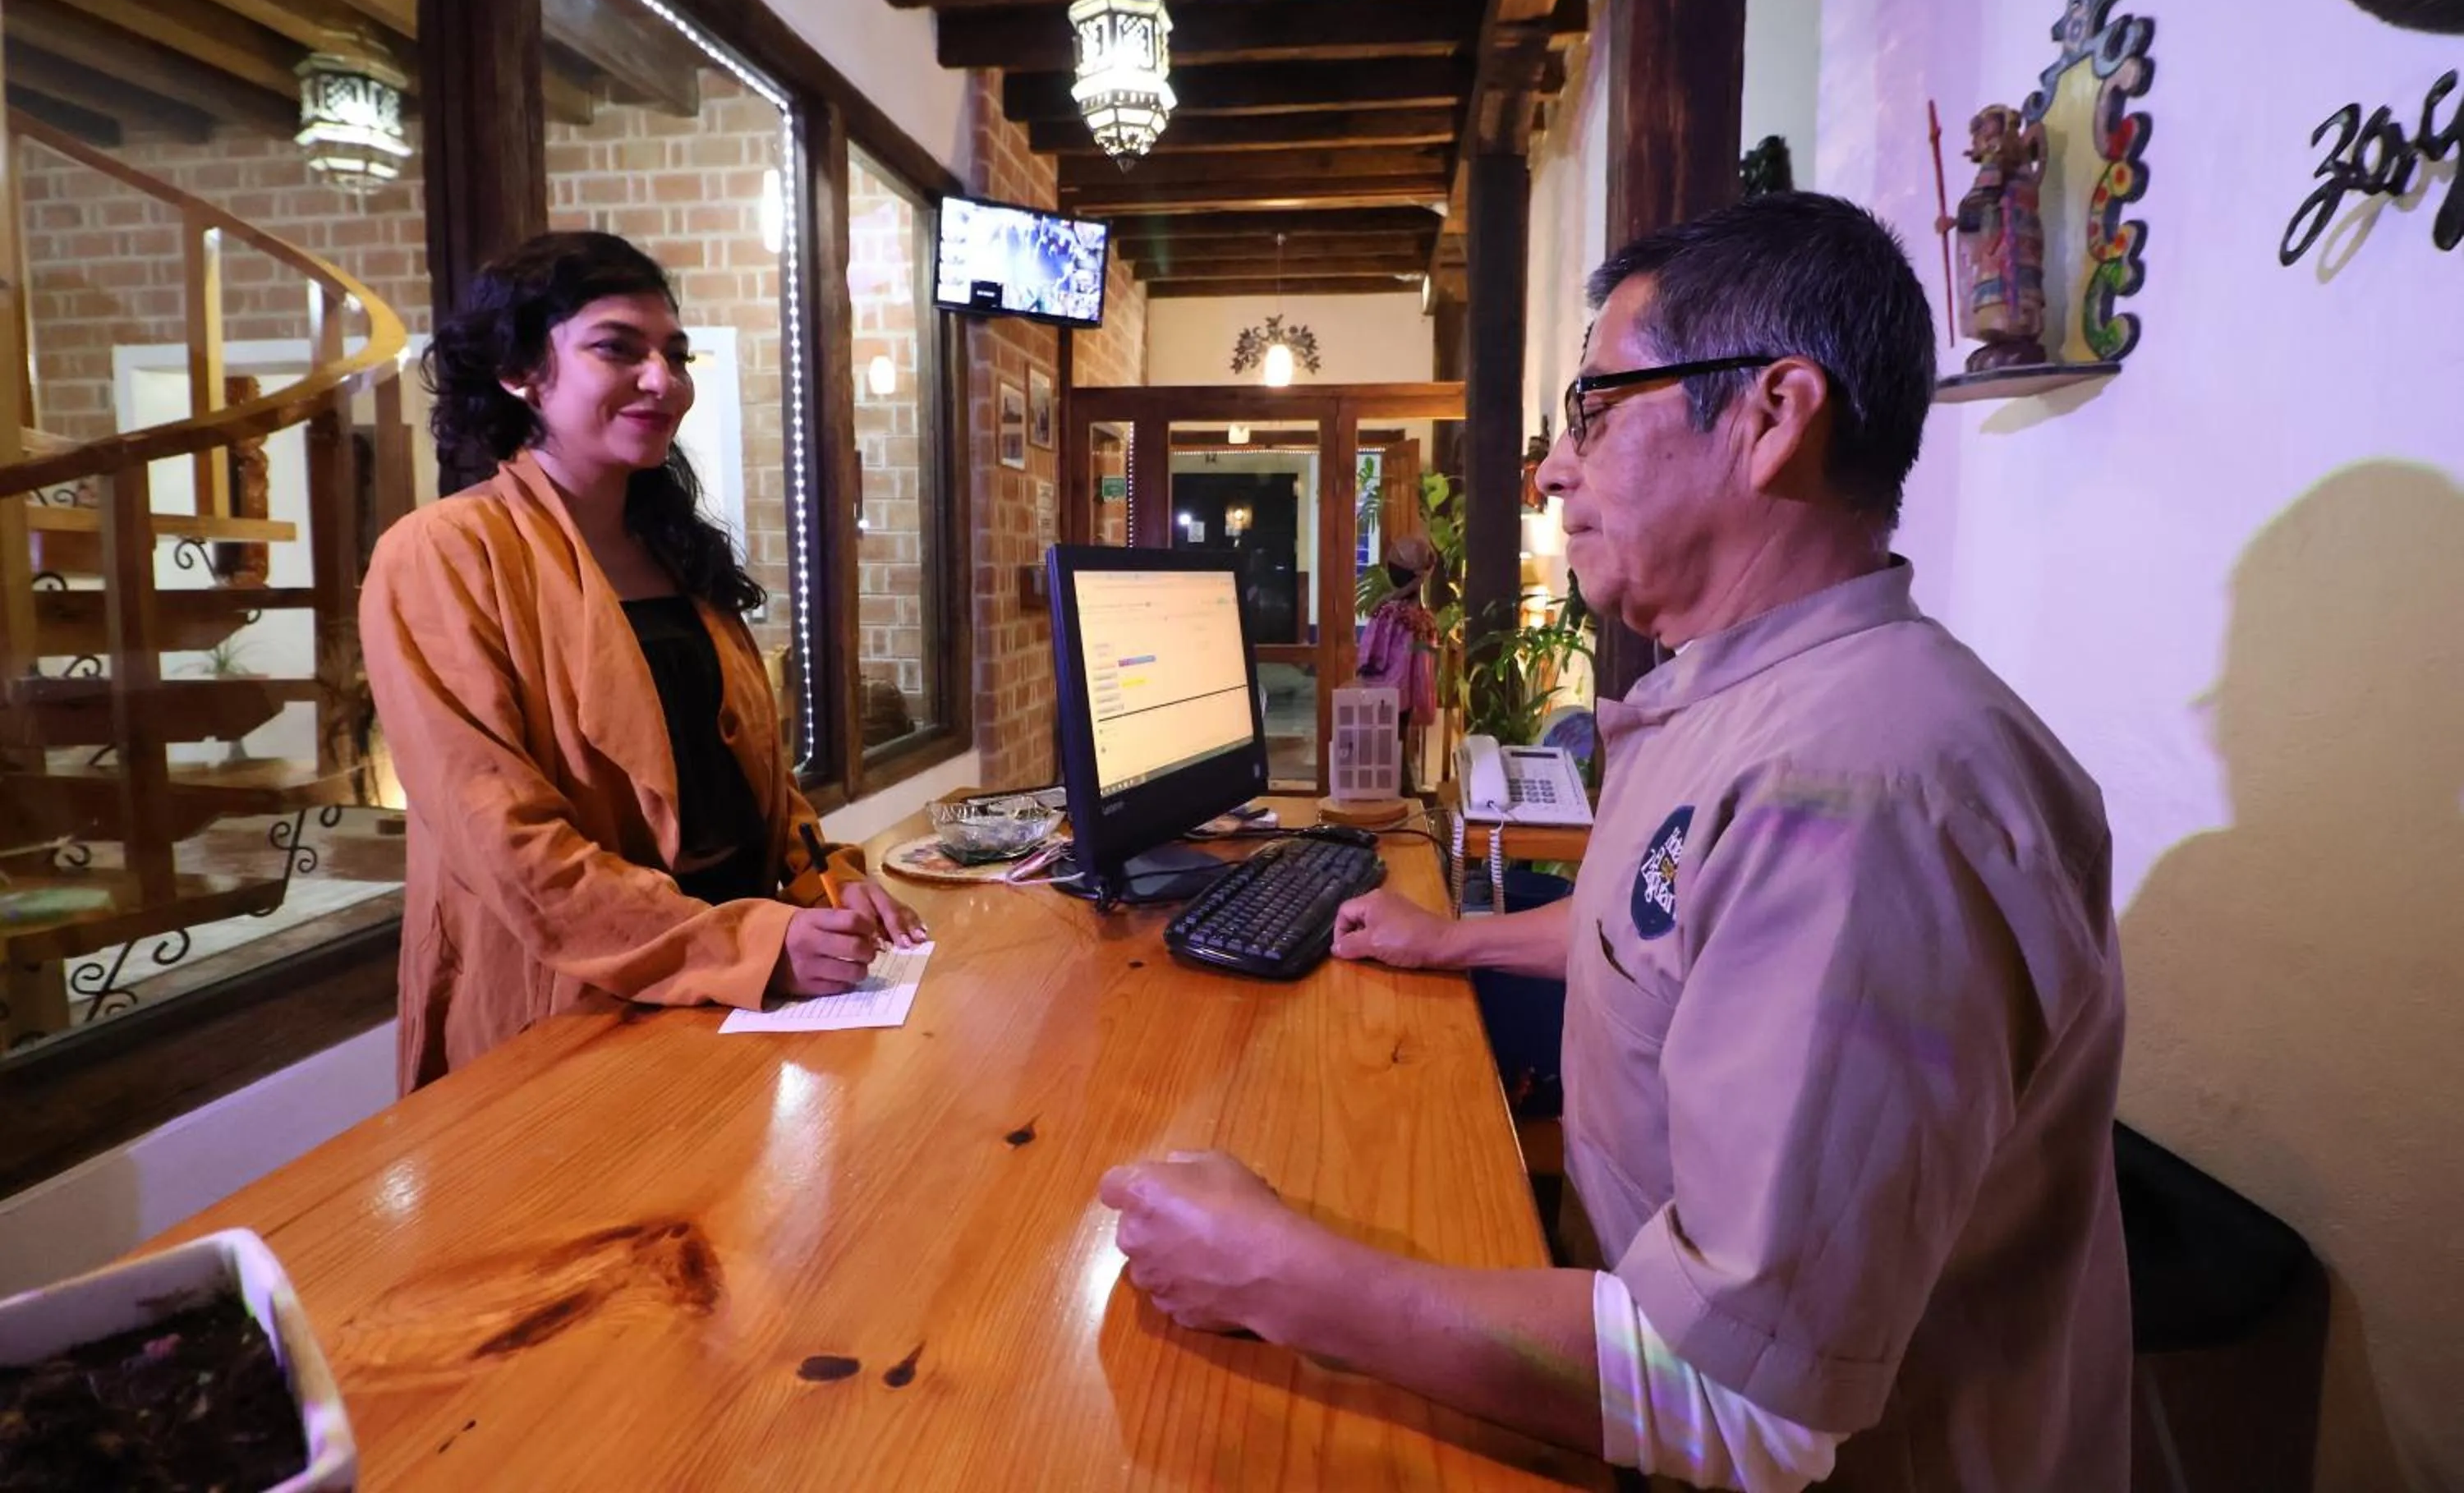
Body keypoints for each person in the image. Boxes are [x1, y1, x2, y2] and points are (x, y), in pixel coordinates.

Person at [1100, 193, 2130, 1491]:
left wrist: (1279, 1272)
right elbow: (1673, 939)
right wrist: (1453, 936)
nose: (1550, 469)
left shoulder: (1865, 789)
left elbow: (1747, 1406)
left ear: (1771, 416)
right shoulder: (1742, 696)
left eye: (1593, 411)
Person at [362, 231, 921, 1093]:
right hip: (573, 1017)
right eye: (618, 348)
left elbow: (748, 771)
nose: (664, 380)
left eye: (675, 354)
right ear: (521, 371)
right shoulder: (443, 554)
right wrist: (747, 945)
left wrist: (824, 880)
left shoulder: (674, 549)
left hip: (736, 1007)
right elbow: (507, 841)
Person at [1355, 535, 1440, 788]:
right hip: (1410, 695)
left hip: (1385, 694)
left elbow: (1371, 655)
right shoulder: (1425, 617)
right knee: (1400, 752)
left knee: (1384, 760)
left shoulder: (1390, 613)